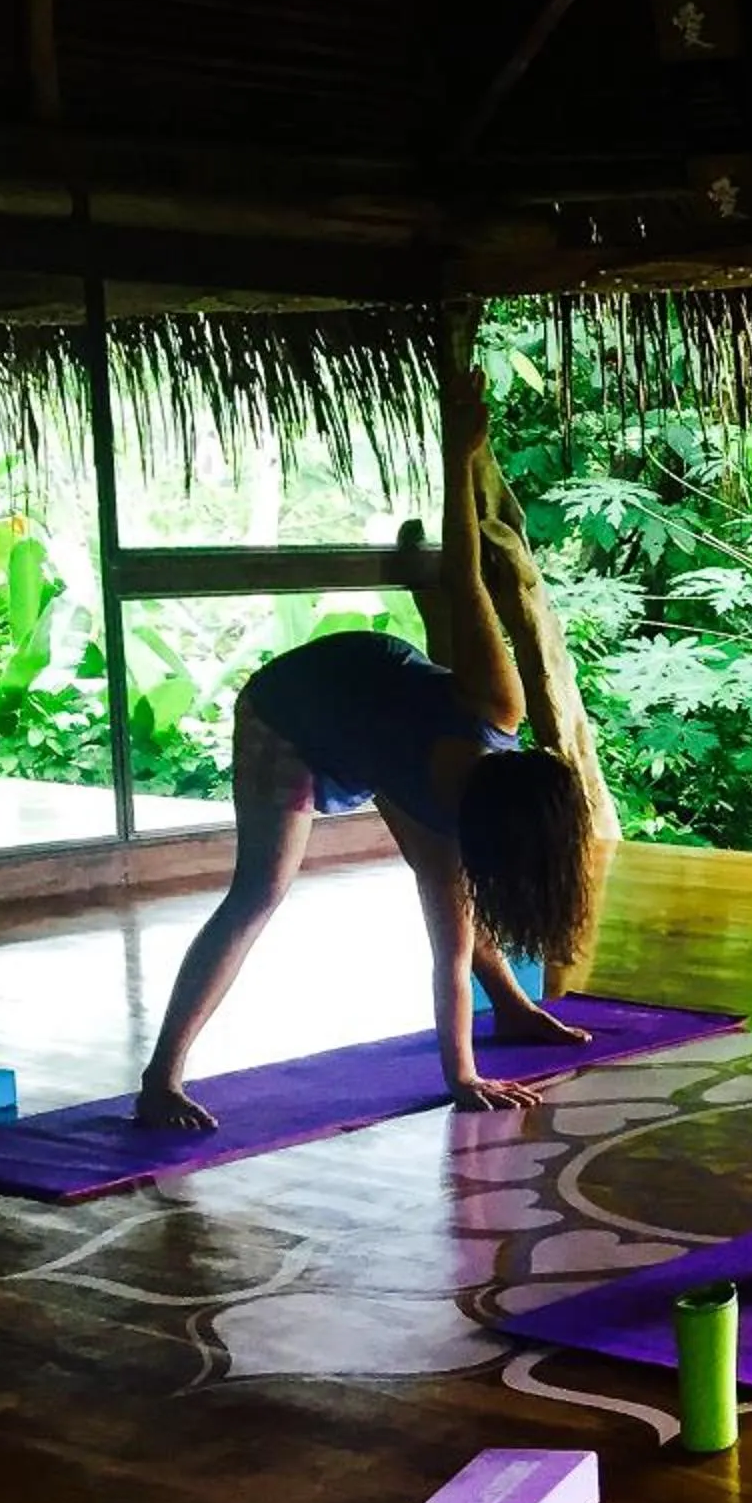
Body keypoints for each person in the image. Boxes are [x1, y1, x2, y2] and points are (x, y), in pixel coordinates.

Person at [135, 358, 600, 1132]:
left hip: (379, 733)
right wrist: (459, 458)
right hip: (291, 717)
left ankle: (514, 1011)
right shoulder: (495, 703)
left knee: (449, 904)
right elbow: (465, 576)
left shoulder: (455, 827)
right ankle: (161, 1079)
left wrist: (464, 1075)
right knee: (258, 893)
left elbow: (449, 956)